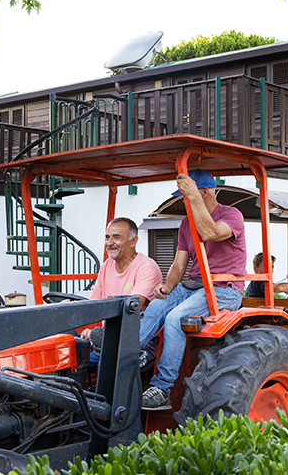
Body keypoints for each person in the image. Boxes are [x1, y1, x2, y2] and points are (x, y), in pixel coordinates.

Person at [138, 169, 246, 411]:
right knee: (155, 308)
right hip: (194, 285)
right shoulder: (186, 223)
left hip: (224, 289)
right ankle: (126, 360)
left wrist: (195, 198)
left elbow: (211, 232)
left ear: (204, 192)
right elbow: (179, 264)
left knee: (176, 318)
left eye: (187, 195)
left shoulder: (232, 215)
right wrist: (167, 285)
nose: (183, 200)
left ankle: (162, 388)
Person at [82, 217, 163, 357]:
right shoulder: (107, 266)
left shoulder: (146, 267)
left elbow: (130, 309)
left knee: (106, 362)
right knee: (75, 356)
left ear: (133, 241)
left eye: (116, 237)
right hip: (108, 337)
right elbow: (93, 304)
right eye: (107, 237)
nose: (109, 243)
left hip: (139, 340)